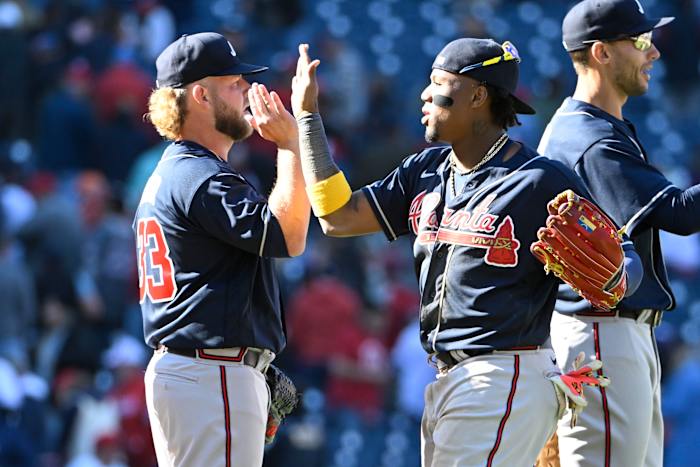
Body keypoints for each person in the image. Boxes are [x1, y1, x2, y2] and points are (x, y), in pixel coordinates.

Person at [290, 39, 642, 466]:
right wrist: (307, 120)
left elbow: (621, 256)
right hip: (445, 381)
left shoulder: (537, 181)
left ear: (477, 96)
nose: (425, 94)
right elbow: (338, 217)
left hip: (502, 375)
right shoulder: (426, 170)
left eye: (439, 83)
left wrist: (618, 274)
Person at [134, 32, 309, 467]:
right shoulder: (200, 176)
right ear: (200, 95)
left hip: (196, 373)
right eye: (234, 83)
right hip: (210, 374)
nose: (247, 90)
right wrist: (290, 144)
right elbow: (288, 236)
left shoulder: (176, 172)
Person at [536, 0, 698, 465]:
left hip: (609, 335)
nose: (654, 53)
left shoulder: (590, 128)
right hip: (600, 335)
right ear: (602, 53)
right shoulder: (588, 138)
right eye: (641, 42)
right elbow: (681, 214)